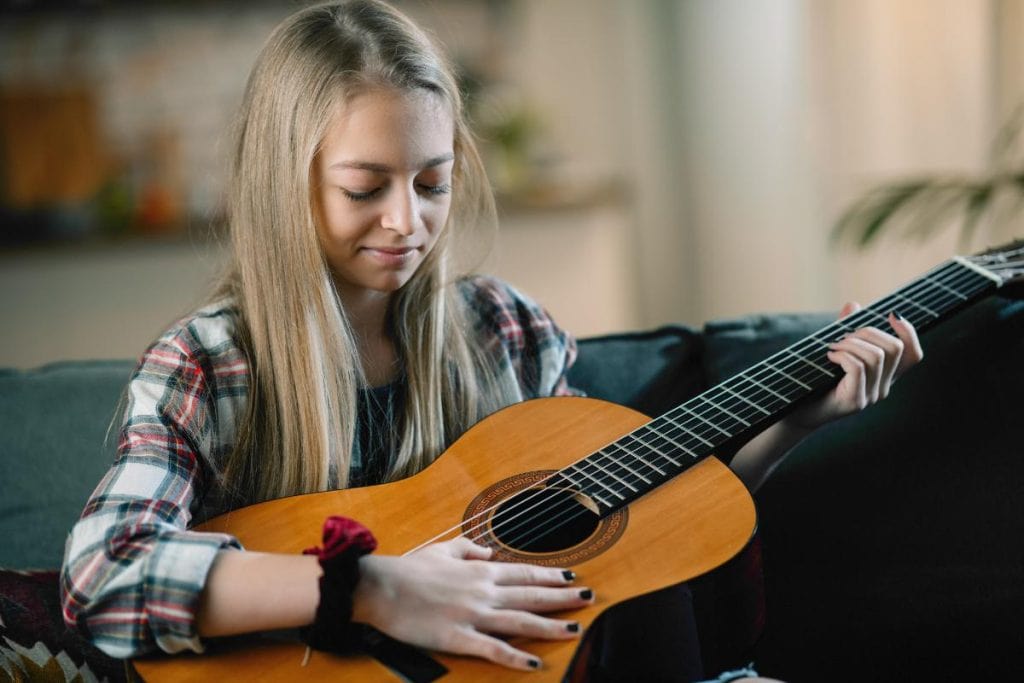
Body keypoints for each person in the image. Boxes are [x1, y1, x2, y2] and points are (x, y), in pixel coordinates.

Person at [59, 1, 923, 680]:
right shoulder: (209, 364)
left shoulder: (508, 330)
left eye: (433, 182)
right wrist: (374, 588)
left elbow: (632, 530)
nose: (409, 222)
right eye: (366, 188)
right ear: (286, 184)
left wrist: (795, 422)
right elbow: (103, 571)